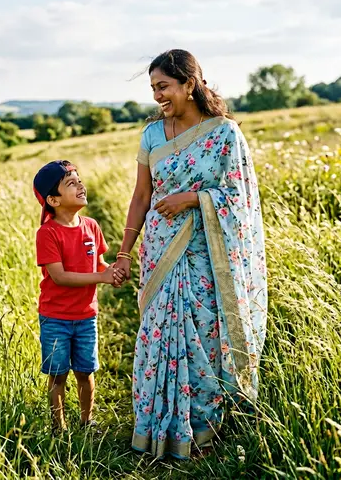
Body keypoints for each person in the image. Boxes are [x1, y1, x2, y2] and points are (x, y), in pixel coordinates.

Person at [114, 50, 267, 459]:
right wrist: (124, 253)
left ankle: (202, 432)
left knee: (204, 337)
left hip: (205, 254)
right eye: (153, 89)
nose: (157, 96)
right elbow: (142, 196)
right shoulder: (151, 135)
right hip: (160, 251)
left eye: (163, 86)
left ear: (189, 83)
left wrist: (194, 198)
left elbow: (240, 199)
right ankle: (156, 430)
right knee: (157, 336)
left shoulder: (224, 133)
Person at [33, 160, 125, 432]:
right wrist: (102, 277)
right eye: (70, 183)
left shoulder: (91, 226)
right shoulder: (47, 234)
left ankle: (87, 420)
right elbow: (60, 276)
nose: (80, 185)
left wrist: (114, 272)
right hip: (56, 318)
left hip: (86, 317)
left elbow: (99, 265)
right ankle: (58, 426)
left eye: (79, 180)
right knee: (58, 375)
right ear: (53, 200)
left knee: (86, 372)